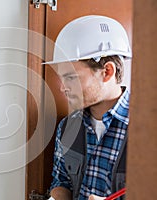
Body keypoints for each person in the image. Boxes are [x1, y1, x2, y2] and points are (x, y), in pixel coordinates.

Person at [45, 15, 132, 200]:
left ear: (107, 72)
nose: (62, 87)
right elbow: (61, 181)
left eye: (71, 77)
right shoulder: (67, 127)